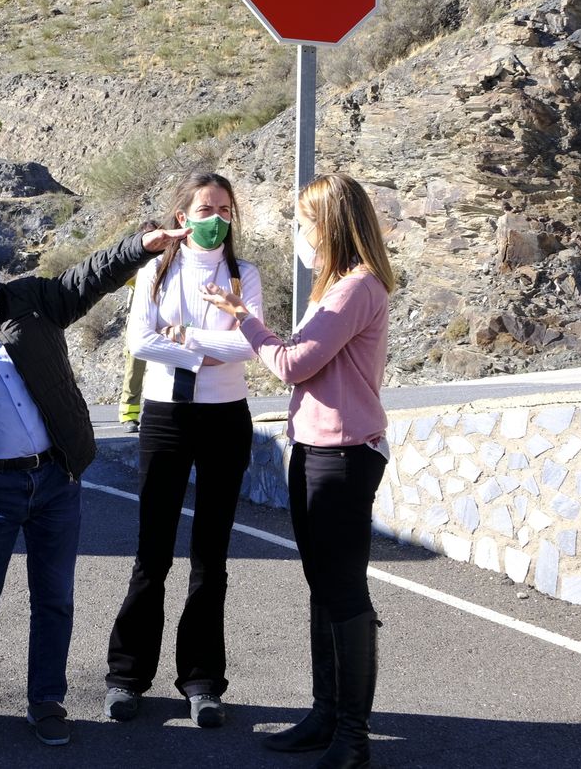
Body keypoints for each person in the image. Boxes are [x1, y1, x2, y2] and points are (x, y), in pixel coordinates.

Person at [0, 221, 186, 748]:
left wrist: (139, 246)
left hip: (54, 479)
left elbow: (88, 278)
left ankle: (46, 701)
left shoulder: (31, 299)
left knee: (54, 600)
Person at [201, 172, 396, 769]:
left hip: (341, 457)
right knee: (323, 588)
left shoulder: (355, 289)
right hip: (315, 450)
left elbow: (292, 364)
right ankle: (325, 715)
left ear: (330, 225)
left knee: (342, 592)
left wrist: (244, 318)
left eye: (305, 221)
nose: (299, 232)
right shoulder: (334, 288)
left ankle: (352, 736)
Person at [103, 173, 263, 728]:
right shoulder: (155, 270)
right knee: (153, 554)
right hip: (167, 418)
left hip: (225, 420)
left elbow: (250, 344)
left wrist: (185, 339)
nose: (214, 216)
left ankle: (202, 683)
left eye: (223, 207)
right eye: (203, 207)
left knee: (210, 559)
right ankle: (127, 677)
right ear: (182, 216)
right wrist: (205, 351)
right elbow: (141, 342)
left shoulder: (246, 275)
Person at [117, 220, 162, 433]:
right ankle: (129, 415)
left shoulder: (169, 260)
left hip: (165, 323)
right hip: (139, 323)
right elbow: (123, 278)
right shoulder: (135, 262)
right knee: (134, 368)